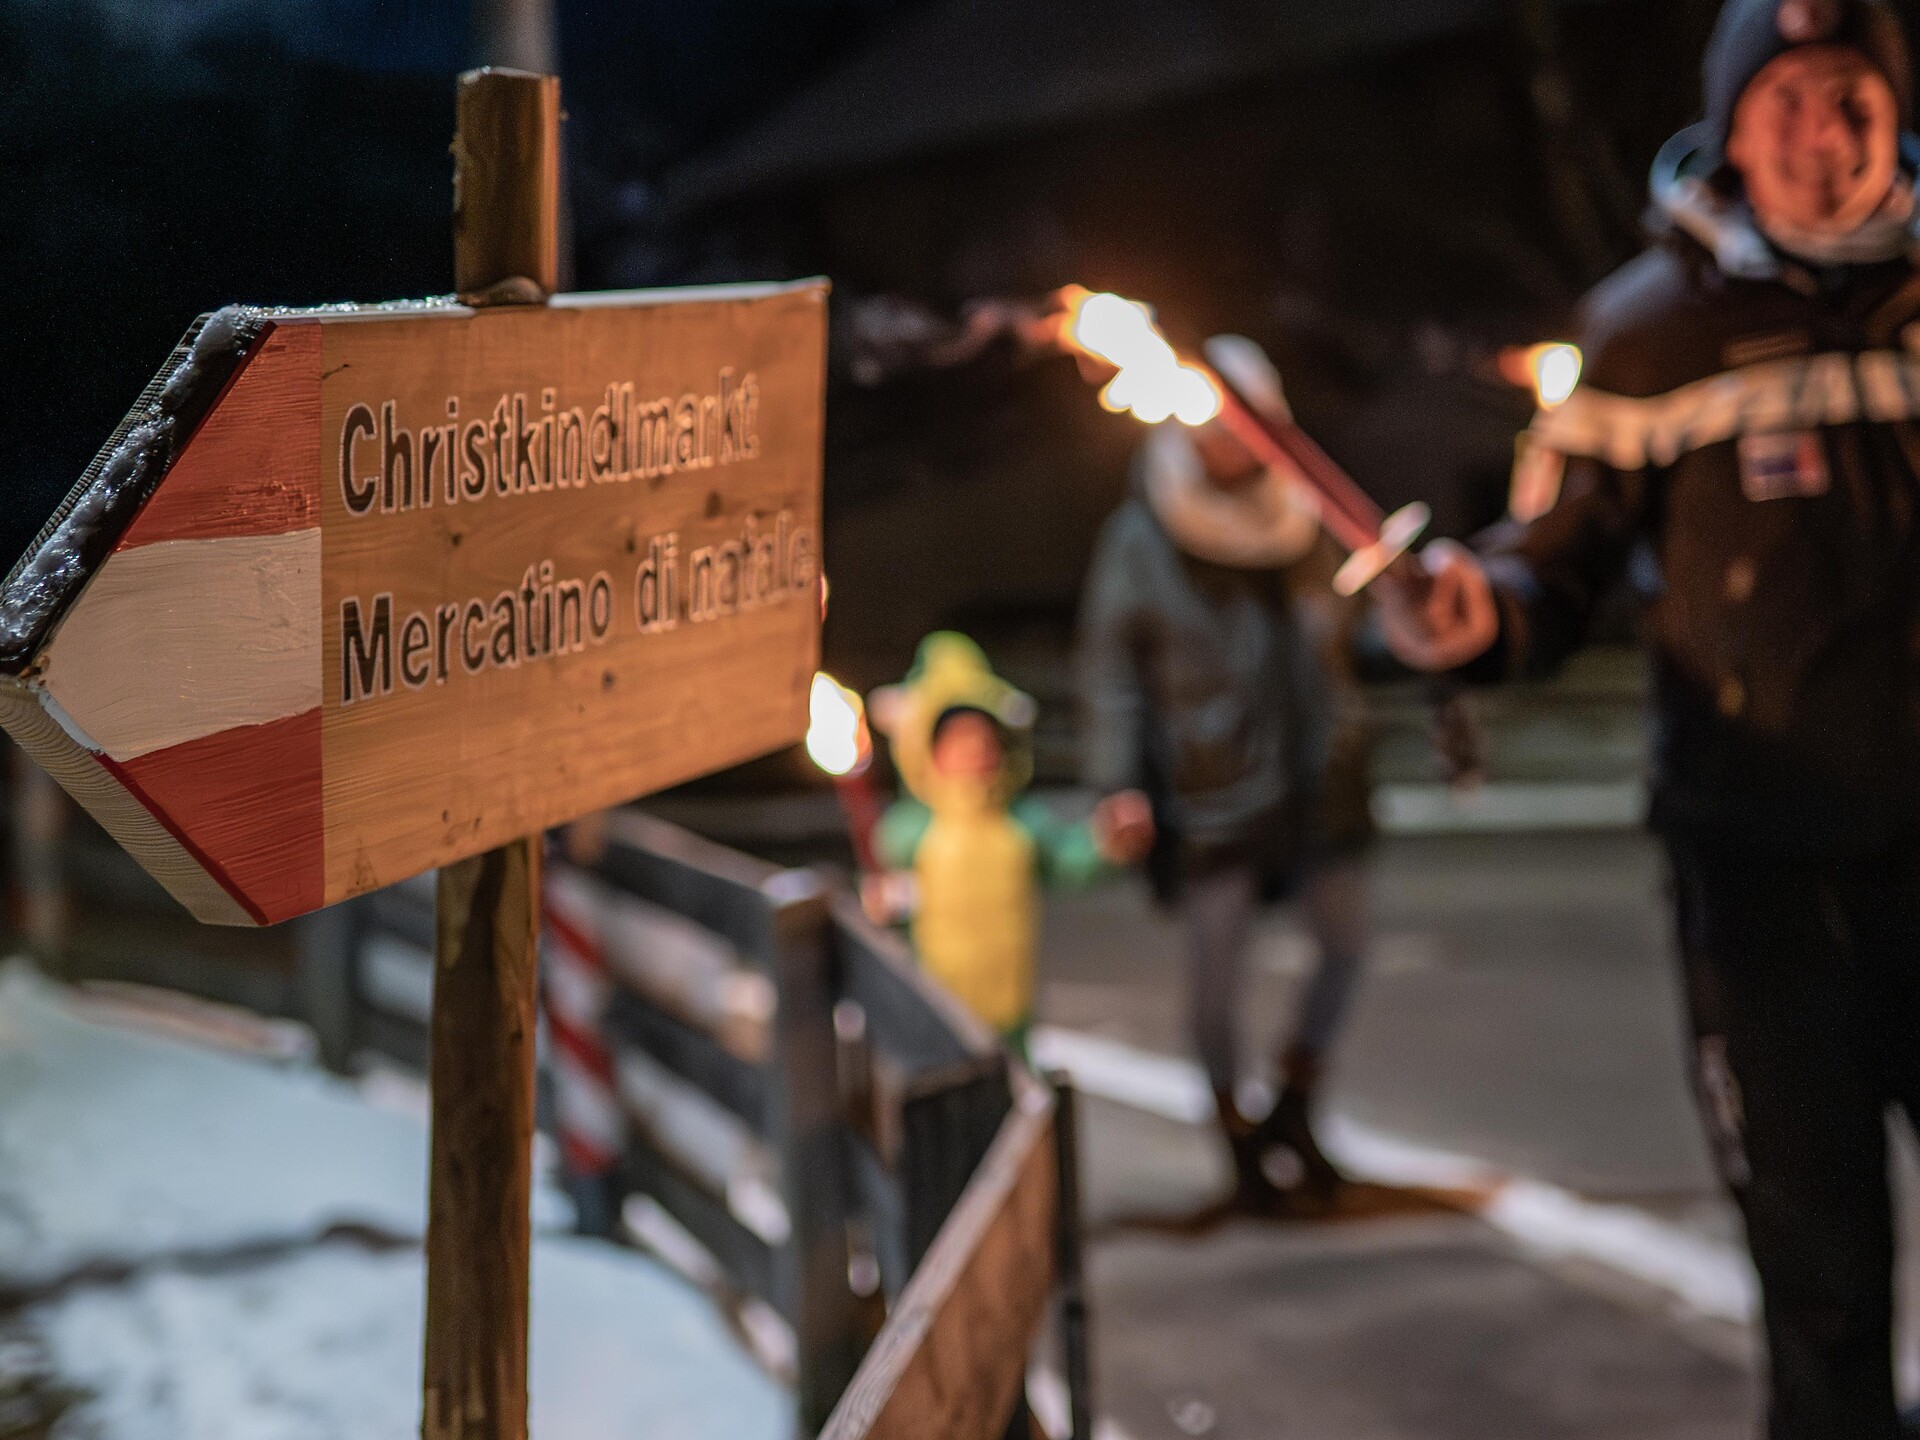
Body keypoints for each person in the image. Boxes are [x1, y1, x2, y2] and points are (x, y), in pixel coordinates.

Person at [1375, 2, 1920, 1433]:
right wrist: (1469, 612)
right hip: (1764, 881)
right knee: (1821, 1260)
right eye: (1790, 101)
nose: (1825, 135)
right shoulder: (1646, 334)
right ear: (1734, 126)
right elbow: (1545, 566)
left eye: (1854, 96)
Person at [1077, 335, 1375, 1213]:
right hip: (1209, 785)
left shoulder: (1308, 513)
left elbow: (1355, 629)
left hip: (1319, 776)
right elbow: (1112, 670)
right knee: (1216, 977)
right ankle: (1236, 1141)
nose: (1229, 445)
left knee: (1346, 946)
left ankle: (1295, 1105)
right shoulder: (1142, 535)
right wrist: (1116, 783)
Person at [870, 632, 1152, 1051]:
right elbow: (890, 897)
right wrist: (883, 904)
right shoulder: (911, 831)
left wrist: (1108, 842)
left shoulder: (1020, 824)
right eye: (958, 741)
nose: (975, 751)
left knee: (1019, 1092)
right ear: (927, 752)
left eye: (985, 740)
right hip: (934, 1011)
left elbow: (1067, 857)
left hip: (1010, 1007)